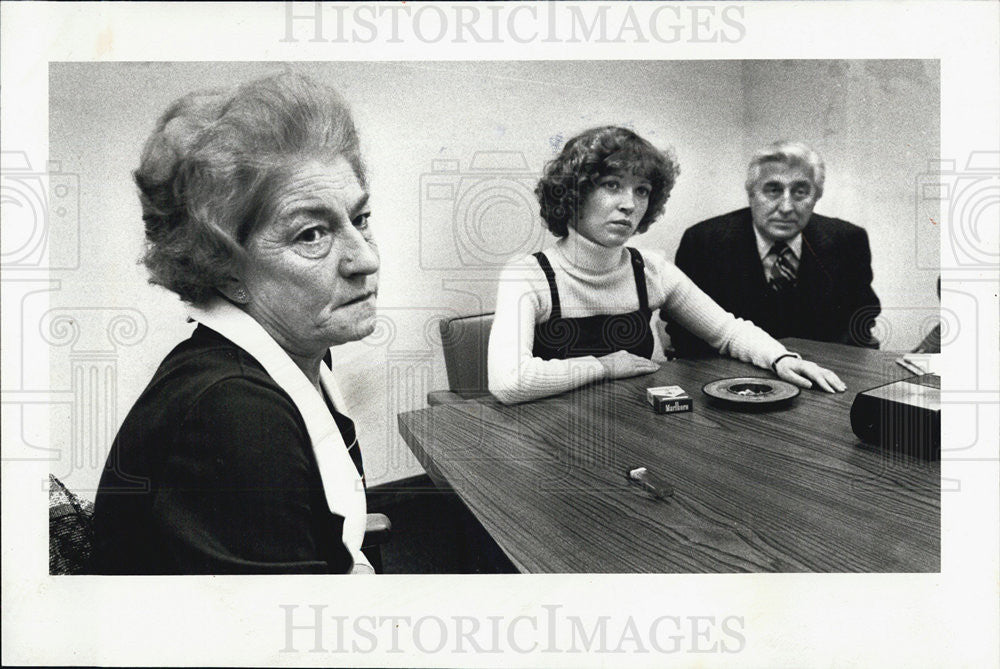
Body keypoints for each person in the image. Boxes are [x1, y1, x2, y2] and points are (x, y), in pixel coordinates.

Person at [91, 72, 380, 574]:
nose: (365, 258)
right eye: (311, 234)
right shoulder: (232, 415)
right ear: (222, 270)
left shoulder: (296, 352)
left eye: (360, 219)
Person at [487, 126, 846, 405]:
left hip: (645, 428)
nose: (629, 204)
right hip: (556, 441)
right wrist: (605, 366)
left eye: (641, 190)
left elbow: (727, 331)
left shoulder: (651, 269)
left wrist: (781, 359)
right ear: (574, 192)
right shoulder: (528, 276)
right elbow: (509, 381)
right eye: (612, 185)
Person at [667, 141, 881, 357]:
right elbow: (683, 329)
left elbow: (862, 317)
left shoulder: (848, 240)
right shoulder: (703, 242)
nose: (786, 207)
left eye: (800, 192)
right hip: (731, 377)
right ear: (751, 193)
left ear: (816, 197)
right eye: (773, 190)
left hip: (823, 372)